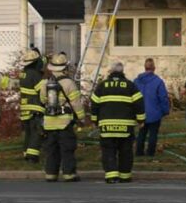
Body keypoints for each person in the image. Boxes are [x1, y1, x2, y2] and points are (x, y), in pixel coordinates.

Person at [92, 62, 145, 183]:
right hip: (125, 127)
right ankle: (125, 176)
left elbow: (94, 105)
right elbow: (139, 104)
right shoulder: (130, 86)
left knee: (108, 150)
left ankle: (111, 176)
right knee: (125, 151)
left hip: (106, 126)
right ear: (122, 72)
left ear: (110, 72)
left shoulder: (102, 86)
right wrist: (141, 120)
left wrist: (95, 121)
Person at [39, 52, 85, 182]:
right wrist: (81, 119)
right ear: (65, 68)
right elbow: (76, 103)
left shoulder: (45, 83)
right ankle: (69, 174)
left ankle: (51, 174)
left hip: (49, 122)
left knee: (51, 150)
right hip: (65, 122)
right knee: (67, 149)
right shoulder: (69, 83)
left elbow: (42, 100)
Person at [134, 58, 170, 157]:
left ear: (144, 68)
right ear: (154, 68)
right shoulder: (158, 81)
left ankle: (139, 152)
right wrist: (165, 110)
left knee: (141, 133)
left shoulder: (137, 81)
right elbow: (163, 98)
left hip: (140, 112)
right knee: (153, 134)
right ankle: (150, 153)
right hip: (155, 113)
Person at [18, 48, 45, 163]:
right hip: (35, 107)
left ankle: (26, 153)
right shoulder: (35, 74)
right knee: (37, 132)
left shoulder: (23, 73)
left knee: (28, 133)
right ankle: (32, 156)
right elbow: (41, 92)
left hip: (25, 108)